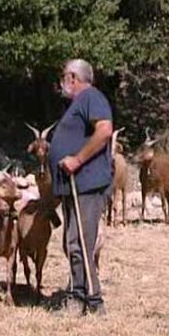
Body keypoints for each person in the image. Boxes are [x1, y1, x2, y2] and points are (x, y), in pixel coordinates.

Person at [49, 58, 113, 317]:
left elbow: (105, 130)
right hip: (74, 184)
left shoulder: (91, 98)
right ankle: (87, 296)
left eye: (64, 77)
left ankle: (84, 301)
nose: (62, 82)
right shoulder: (78, 103)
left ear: (74, 78)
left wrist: (77, 159)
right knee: (72, 243)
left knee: (79, 244)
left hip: (85, 183)